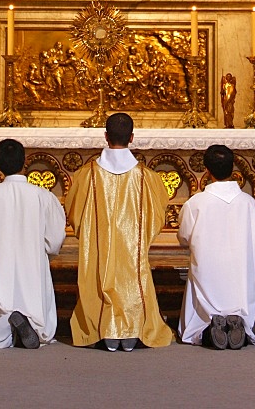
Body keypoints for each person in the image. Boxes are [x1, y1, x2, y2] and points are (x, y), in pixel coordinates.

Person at [65, 111, 175, 350]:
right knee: (133, 272)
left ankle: (104, 329)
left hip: (98, 250)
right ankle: (132, 328)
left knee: (99, 269)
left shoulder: (87, 176)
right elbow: (158, 218)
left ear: (106, 136)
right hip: (132, 250)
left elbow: (73, 214)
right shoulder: (147, 178)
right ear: (132, 137)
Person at [0, 138, 66, 349]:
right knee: (35, 304)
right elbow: (56, 238)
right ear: (25, 161)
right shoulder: (43, 196)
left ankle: (4, 325)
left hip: (0, 268)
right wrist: (46, 252)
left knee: (0, 305)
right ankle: (32, 325)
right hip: (33, 266)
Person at [177, 144, 255, 349]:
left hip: (207, 274)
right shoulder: (249, 203)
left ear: (207, 170)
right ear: (233, 169)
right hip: (239, 277)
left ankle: (208, 327)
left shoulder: (195, 203)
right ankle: (238, 322)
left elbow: (184, 237)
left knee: (200, 287)